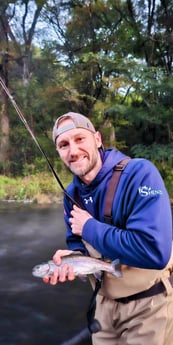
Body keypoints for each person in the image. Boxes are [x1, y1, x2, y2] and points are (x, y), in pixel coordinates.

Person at [44, 112, 173, 345]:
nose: (73, 151)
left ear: (98, 139)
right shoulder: (71, 194)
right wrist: (73, 258)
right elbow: (76, 241)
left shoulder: (140, 174)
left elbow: (155, 252)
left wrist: (90, 227)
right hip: (103, 307)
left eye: (79, 139)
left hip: (149, 304)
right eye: (63, 145)